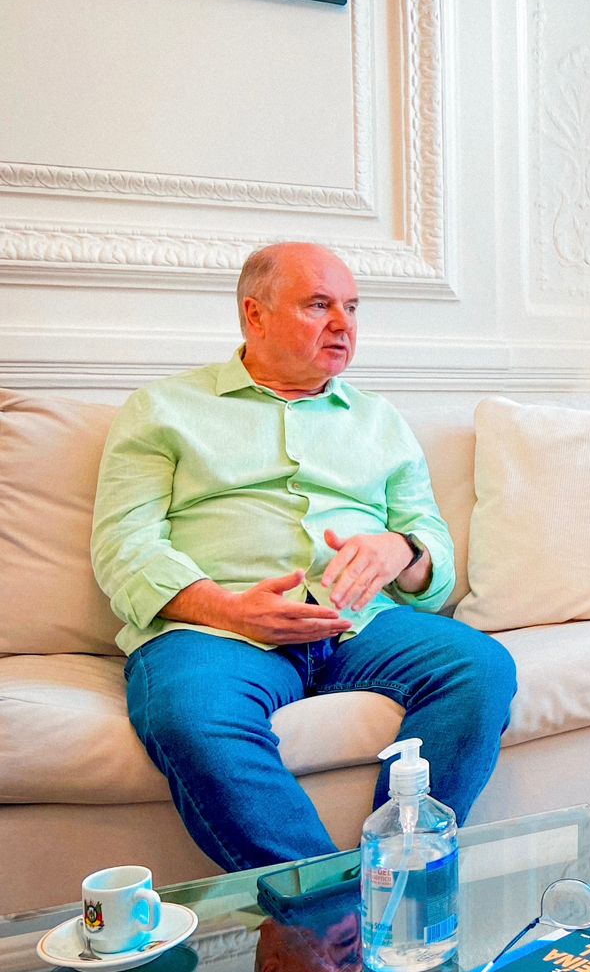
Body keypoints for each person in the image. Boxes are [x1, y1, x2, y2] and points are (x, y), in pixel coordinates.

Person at [92, 242, 517, 873]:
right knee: (191, 715)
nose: (343, 324)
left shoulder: (379, 420)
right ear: (255, 315)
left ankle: (401, 871)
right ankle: (333, 908)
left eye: (352, 307)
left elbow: (431, 554)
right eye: (319, 305)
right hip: (217, 631)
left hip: (359, 624)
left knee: (479, 667)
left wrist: (399, 550)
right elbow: (124, 546)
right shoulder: (163, 409)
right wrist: (230, 610)